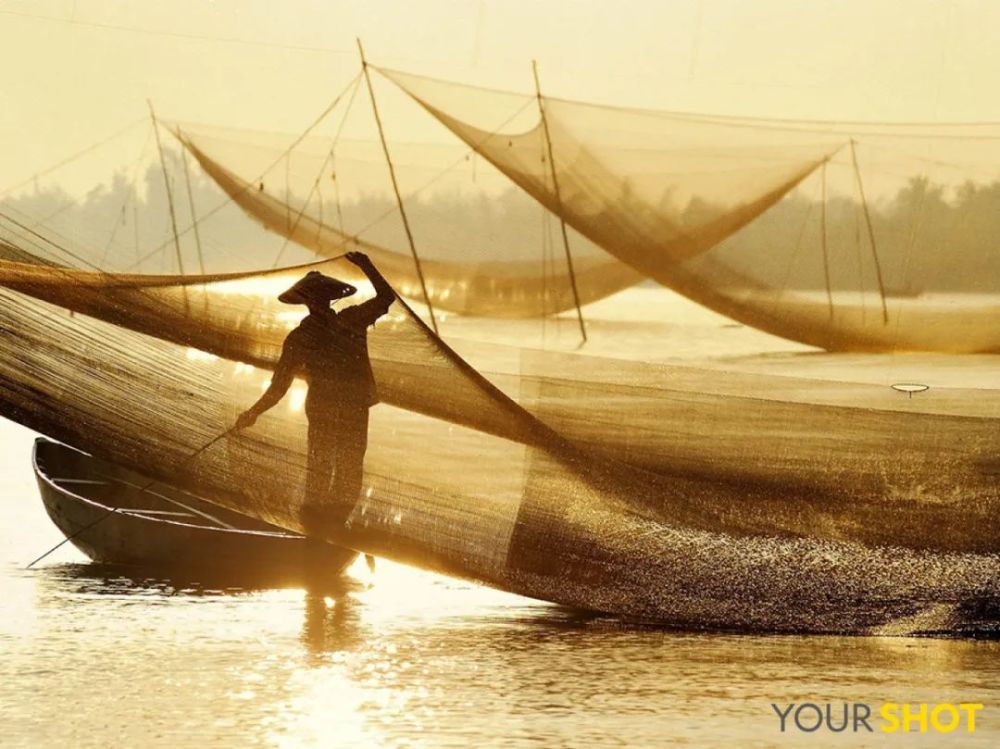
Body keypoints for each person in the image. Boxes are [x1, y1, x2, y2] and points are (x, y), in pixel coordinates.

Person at [234, 251, 394, 533]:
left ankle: (329, 527)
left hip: (346, 406)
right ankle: (318, 528)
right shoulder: (312, 333)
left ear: (326, 299)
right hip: (334, 407)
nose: (318, 303)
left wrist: (367, 264)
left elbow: (386, 298)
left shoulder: (348, 320)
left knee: (342, 467)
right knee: (327, 468)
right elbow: (279, 386)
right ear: (309, 301)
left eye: (321, 297)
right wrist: (253, 413)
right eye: (315, 297)